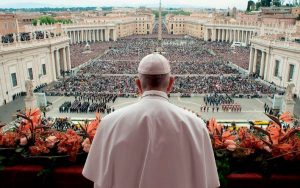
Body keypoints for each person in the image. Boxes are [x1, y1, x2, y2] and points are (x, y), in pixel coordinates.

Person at [83, 53, 220, 188]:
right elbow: (208, 180)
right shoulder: (196, 125)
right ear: (171, 83)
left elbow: (96, 176)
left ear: (138, 84)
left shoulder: (109, 123)